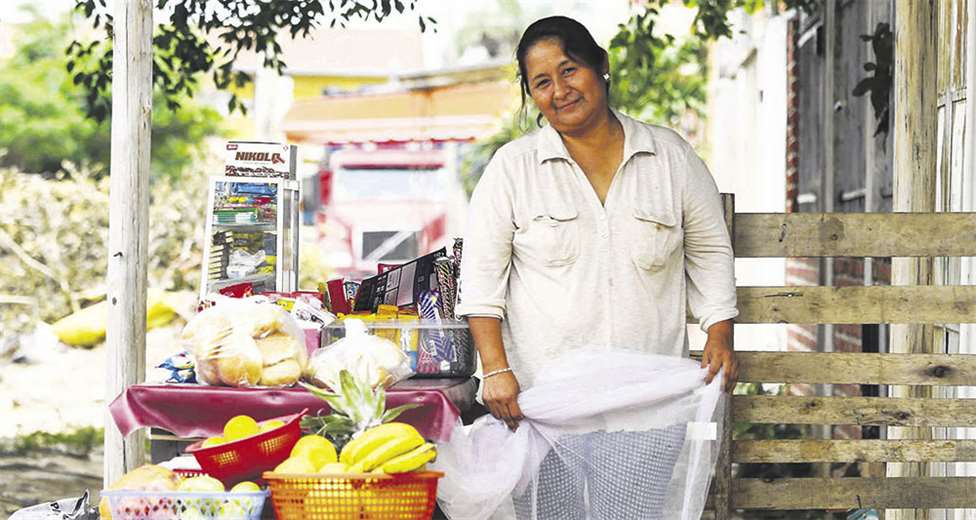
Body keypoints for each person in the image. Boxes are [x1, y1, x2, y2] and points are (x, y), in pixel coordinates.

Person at [454, 15, 738, 519]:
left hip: (644, 407)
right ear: (531, 93)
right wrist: (495, 370)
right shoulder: (512, 170)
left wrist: (719, 333)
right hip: (543, 407)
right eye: (542, 82)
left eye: (570, 71)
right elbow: (481, 281)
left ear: (600, 67)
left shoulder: (670, 157)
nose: (560, 91)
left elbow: (710, 251)